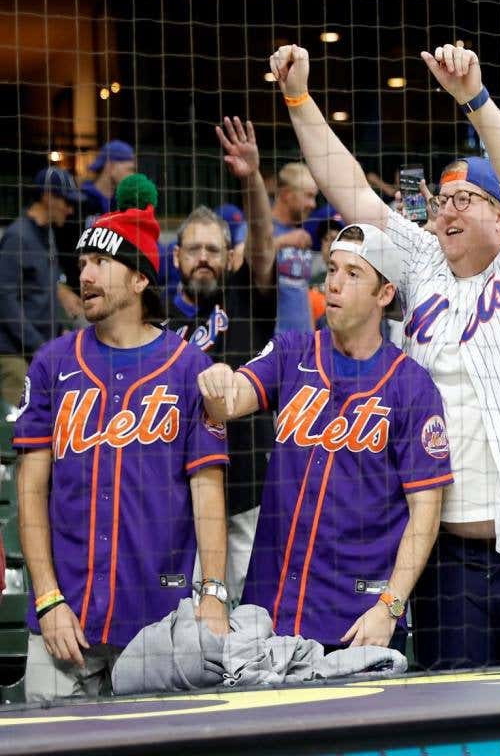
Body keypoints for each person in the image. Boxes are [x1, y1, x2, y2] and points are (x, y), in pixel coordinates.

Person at [270, 41, 500, 669]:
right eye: (440, 202)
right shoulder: (422, 267)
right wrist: (300, 101)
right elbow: (352, 192)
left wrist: (474, 99)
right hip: (448, 557)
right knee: (451, 718)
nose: (445, 212)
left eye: (462, 199)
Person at [13, 197, 229, 701]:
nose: (85, 273)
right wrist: (46, 600)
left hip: (157, 621)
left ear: (139, 279)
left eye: (102, 263)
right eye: (83, 262)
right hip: (65, 622)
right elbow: (30, 491)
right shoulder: (51, 363)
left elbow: (208, 492)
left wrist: (214, 595)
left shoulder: (187, 366)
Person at [197, 223, 451, 651]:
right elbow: (228, 402)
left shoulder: (412, 386)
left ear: (384, 294)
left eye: (354, 274)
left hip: (355, 628)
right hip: (269, 620)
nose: (334, 282)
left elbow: (426, 508)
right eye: (332, 269)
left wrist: (389, 606)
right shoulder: (293, 351)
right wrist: (219, 377)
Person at [164, 117, 278, 600]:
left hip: (246, 491)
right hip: (179, 498)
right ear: (176, 258)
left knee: (248, 618)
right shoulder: (154, 320)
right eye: (194, 249)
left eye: (215, 249)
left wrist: (251, 178)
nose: (205, 257)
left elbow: (263, 242)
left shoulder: (245, 297)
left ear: (231, 257)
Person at [0, 167, 85, 408]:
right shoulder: (18, 236)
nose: (70, 209)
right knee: (20, 428)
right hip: (15, 354)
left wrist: (59, 331)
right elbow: (5, 299)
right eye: (66, 202)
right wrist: (38, 344)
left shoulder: (46, 234)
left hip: (38, 349)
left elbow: (43, 290)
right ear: (48, 196)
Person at [272, 162, 319, 333]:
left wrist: (312, 338)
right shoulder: (259, 231)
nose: (313, 204)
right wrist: (282, 241)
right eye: (308, 196)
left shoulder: (301, 235)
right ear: (286, 194)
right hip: (273, 347)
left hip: (304, 346)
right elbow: (239, 256)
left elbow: (302, 289)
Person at [81, 140, 137, 218]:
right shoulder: (82, 201)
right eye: (129, 170)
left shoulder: (124, 204)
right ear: (110, 167)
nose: (133, 175)